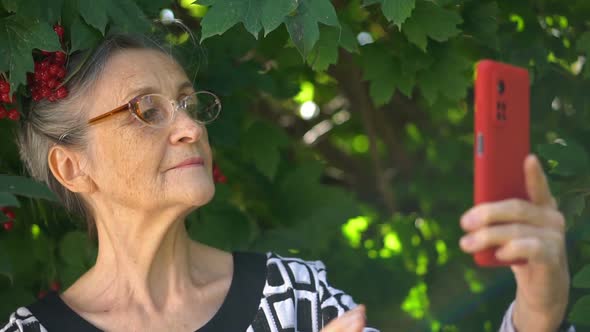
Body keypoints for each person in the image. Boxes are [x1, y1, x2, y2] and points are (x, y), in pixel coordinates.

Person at [0, 34, 573, 332]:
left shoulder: (294, 296)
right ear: (72, 168)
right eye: (146, 110)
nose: (190, 126)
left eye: (186, 102)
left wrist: (538, 312)